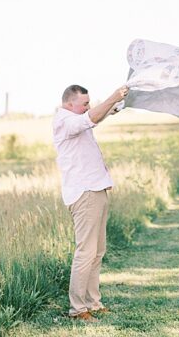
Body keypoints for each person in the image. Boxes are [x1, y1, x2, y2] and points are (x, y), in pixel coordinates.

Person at [52, 83, 128, 321]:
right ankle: (77, 309)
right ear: (69, 104)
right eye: (84, 103)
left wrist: (114, 105)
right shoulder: (65, 120)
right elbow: (89, 118)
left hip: (96, 189)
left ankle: (93, 303)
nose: (88, 107)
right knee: (85, 252)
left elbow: (95, 117)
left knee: (97, 252)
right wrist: (112, 96)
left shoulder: (78, 118)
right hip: (84, 193)